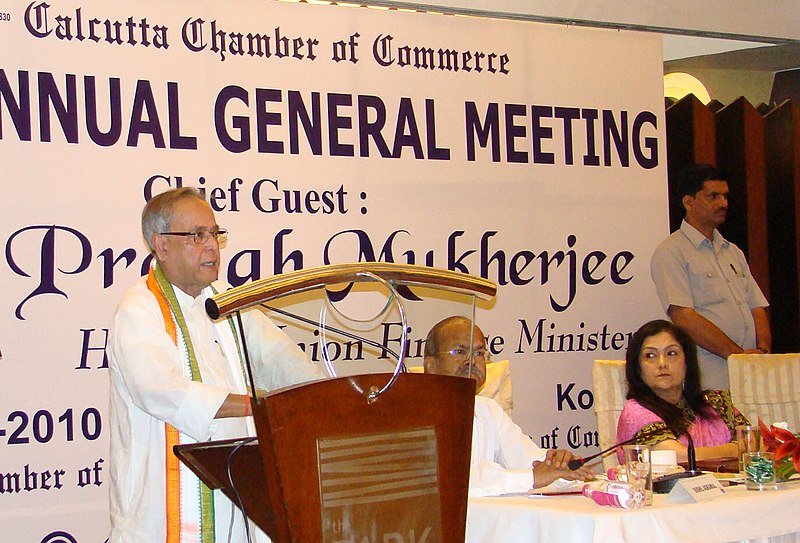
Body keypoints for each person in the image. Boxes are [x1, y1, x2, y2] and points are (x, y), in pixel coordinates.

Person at [107, 187, 326, 543]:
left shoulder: (225, 300)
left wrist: (326, 398)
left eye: (214, 233)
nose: (211, 245)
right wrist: (260, 406)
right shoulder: (139, 309)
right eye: (197, 235)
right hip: (164, 514)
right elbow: (163, 392)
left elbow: (279, 359)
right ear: (160, 246)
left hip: (238, 501)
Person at [423, 316, 593, 496]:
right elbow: (450, 480)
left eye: (479, 353)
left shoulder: (488, 410)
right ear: (431, 366)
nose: (471, 361)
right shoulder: (411, 414)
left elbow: (528, 460)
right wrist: (532, 477)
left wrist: (558, 466)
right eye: (459, 352)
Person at [650, 163, 771, 389]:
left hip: (751, 374)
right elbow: (684, 317)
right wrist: (738, 356)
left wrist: (762, 352)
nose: (723, 203)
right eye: (713, 196)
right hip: (710, 380)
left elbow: (757, 307)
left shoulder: (732, 251)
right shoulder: (671, 252)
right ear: (688, 202)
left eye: (725, 196)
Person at [616, 319, 750, 464]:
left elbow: (752, 441)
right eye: (650, 355)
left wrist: (743, 447)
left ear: (686, 363)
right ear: (638, 368)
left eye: (671, 353)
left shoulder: (714, 403)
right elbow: (674, 457)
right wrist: (734, 450)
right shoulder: (635, 412)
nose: (662, 363)